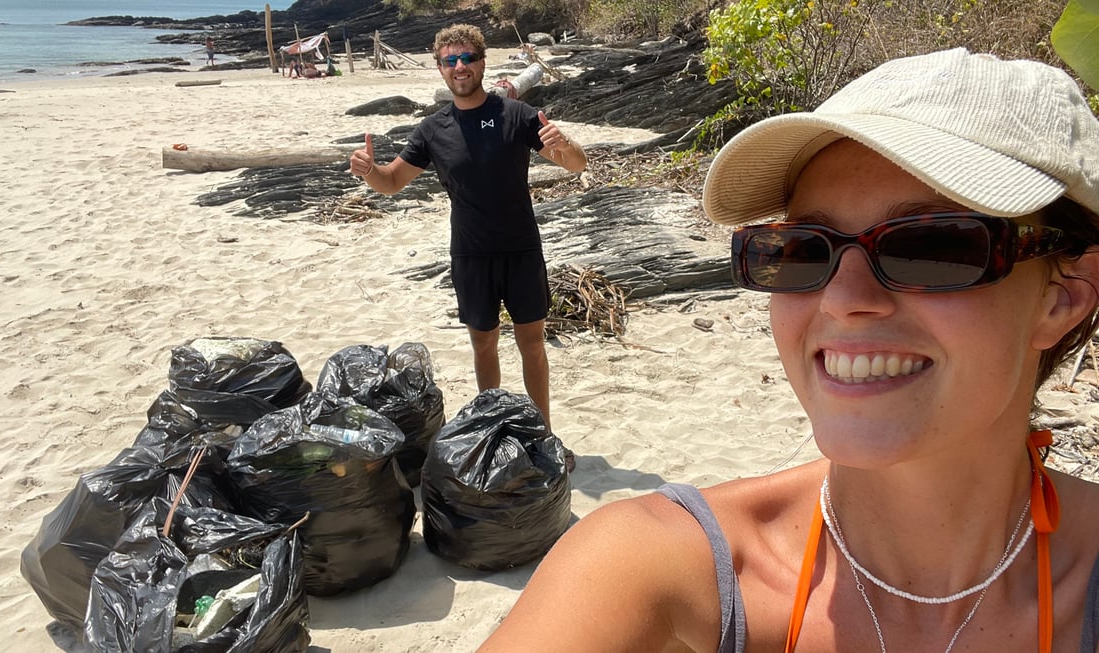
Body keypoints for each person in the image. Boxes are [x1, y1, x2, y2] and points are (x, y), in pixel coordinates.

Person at [477, 48, 1099, 652]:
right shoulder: (655, 566)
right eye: (802, 250)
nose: (842, 299)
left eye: (931, 246)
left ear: (1066, 293)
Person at [348, 24, 587, 432]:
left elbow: (576, 164)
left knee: (532, 344)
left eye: (467, 59)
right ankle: (490, 427)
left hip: (521, 249)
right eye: (450, 61)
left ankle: (542, 432)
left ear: (481, 62)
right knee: (484, 344)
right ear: (440, 68)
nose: (459, 67)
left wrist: (565, 145)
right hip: (471, 253)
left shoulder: (516, 115)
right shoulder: (431, 130)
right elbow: (391, 182)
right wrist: (369, 171)